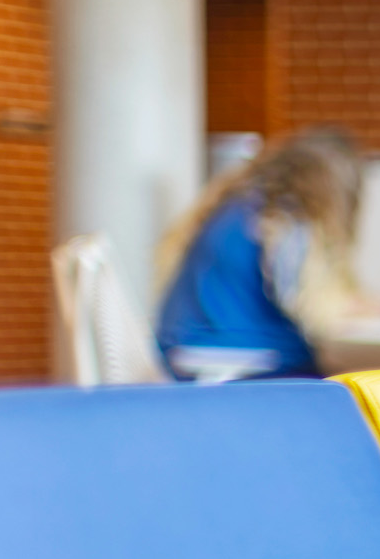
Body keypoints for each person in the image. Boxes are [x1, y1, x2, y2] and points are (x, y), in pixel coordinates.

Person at [153, 127, 366, 381]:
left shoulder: (232, 205)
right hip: (241, 359)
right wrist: (359, 307)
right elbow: (308, 305)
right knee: (344, 390)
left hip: (182, 353)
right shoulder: (284, 218)